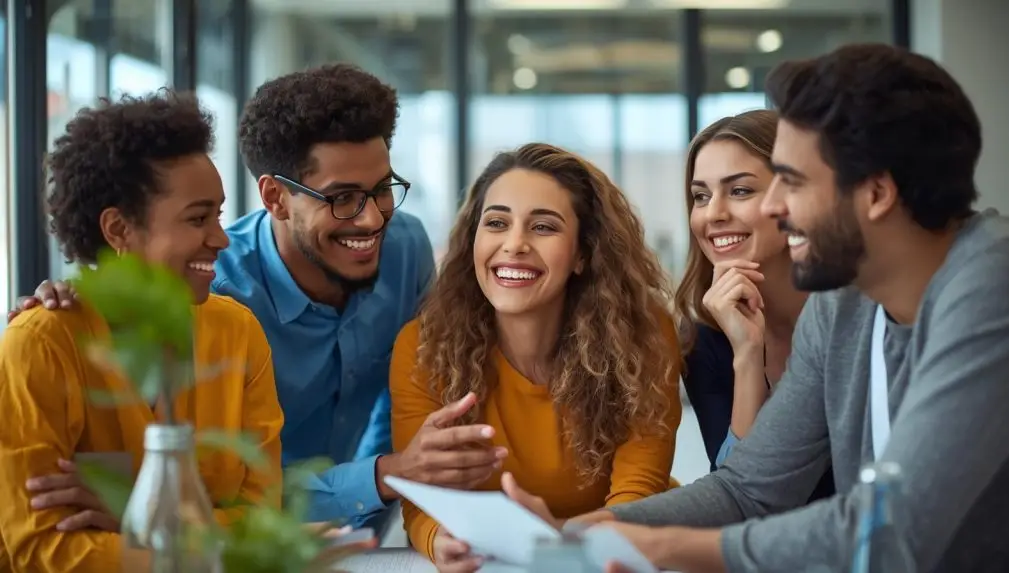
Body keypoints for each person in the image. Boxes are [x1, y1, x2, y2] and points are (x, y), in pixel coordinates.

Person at [503, 43, 1009, 573]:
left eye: (792, 183)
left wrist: (662, 549)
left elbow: (892, 529)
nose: (774, 206)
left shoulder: (997, 280)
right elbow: (749, 490)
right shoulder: (841, 308)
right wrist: (586, 532)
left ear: (876, 193)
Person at [10, 64, 508, 531]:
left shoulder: (405, 249)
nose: (373, 218)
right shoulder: (211, 297)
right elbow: (231, 495)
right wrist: (383, 475)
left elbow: (398, 392)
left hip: (355, 532)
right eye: (342, 198)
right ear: (274, 198)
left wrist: (387, 480)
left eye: (382, 189)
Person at [0, 92, 285, 570]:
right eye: (198, 218)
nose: (220, 238)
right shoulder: (40, 347)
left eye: (218, 214)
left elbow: (263, 523)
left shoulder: (238, 333)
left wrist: (135, 513)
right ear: (118, 230)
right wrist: (189, 537)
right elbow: (42, 551)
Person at [390, 143, 683, 571]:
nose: (514, 244)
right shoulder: (422, 347)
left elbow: (637, 491)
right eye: (496, 223)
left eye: (543, 227)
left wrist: (564, 536)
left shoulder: (643, 334)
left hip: (618, 548)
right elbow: (422, 495)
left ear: (583, 253)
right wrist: (439, 538)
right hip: (490, 559)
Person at [677, 109, 834, 500]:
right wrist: (746, 355)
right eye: (701, 196)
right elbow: (737, 494)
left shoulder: (855, 315)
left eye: (740, 190)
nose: (713, 214)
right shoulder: (705, 340)